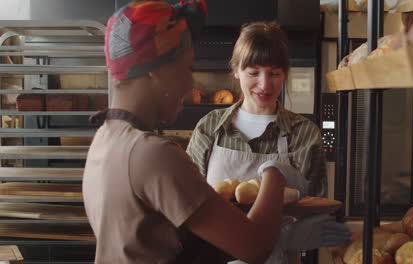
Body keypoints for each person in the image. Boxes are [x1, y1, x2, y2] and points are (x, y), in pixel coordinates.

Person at [82, 1, 293, 263]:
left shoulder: (105, 139)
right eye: (188, 68)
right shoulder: (152, 154)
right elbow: (254, 246)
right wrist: (274, 176)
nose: (190, 82)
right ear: (156, 70)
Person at [186, 21, 351, 263]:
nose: (264, 84)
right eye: (253, 73)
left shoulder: (304, 135)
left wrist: (284, 238)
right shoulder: (210, 127)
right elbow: (188, 206)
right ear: (235, 70)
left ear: (285, 73)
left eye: (274, 73)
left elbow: (316, 215)